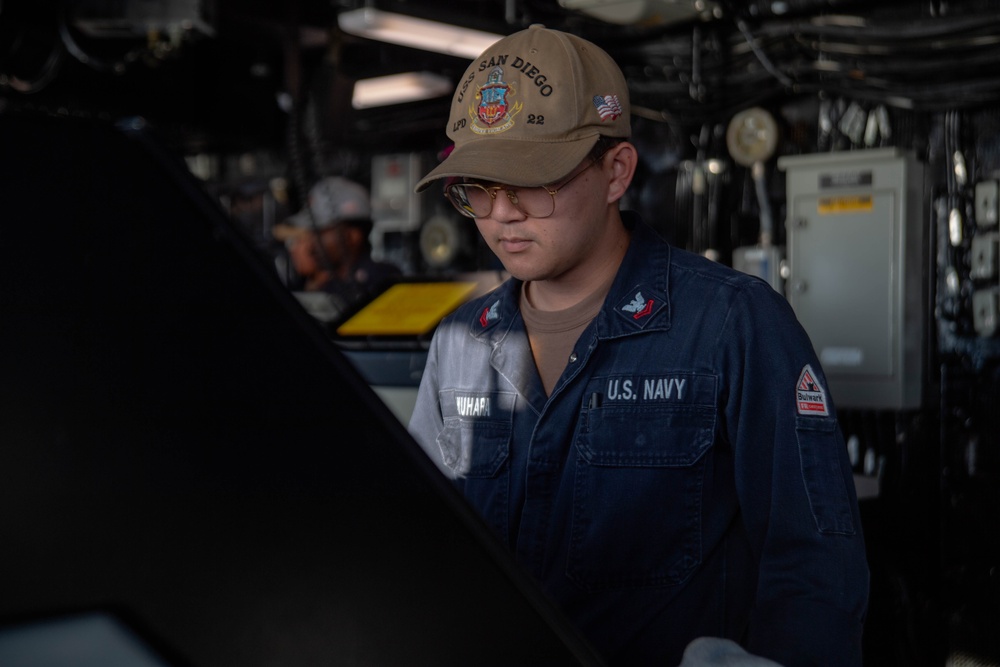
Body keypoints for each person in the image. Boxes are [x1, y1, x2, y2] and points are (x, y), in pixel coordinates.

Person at [406, 24, 869, 667]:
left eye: (532, 182)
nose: (501, 214)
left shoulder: (732, 324)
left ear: (616, 171)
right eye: (477, 188)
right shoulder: (458, 344)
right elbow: (423, 553)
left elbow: (814, 569)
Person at [273, 176, 401, 310]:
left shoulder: (382, 280)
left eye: (320, 233)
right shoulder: (327, 284)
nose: (311, 243)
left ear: (352, 236)